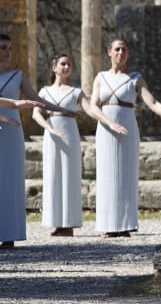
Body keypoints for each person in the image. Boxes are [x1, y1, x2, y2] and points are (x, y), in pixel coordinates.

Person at [86, 38, 161, 237]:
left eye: (124, 49)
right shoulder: (100, 77)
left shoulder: (135, 78)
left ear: (127, 53)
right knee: (106, 174)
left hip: (128, 127)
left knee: (125, 175)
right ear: (109, 52)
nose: (121, 53)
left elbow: (153, 102)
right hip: (106, 129)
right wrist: (109, 122)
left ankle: (124, 224)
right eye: (117, 49)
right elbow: (93, 106)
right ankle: (108, 225)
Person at [0, 33, 68, 248]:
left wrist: (59, 108)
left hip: (12, 133)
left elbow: (36, 99)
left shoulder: (17, 75)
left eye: (9, 48)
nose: (7, 52)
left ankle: (9, 233)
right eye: (3, 47)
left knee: (10, 181)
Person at [32, 54, 91, 236]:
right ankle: (57, 223)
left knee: (69, 176)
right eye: (63, 64)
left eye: (69, 64)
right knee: (53, 175)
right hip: (51, 135)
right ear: (54, 67)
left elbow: (89, 109)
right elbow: (36, 114)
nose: (66, 67)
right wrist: (50, 128)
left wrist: (106, 119)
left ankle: (69, 224)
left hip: (69, 135)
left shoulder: (75, 92)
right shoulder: (44, 92)